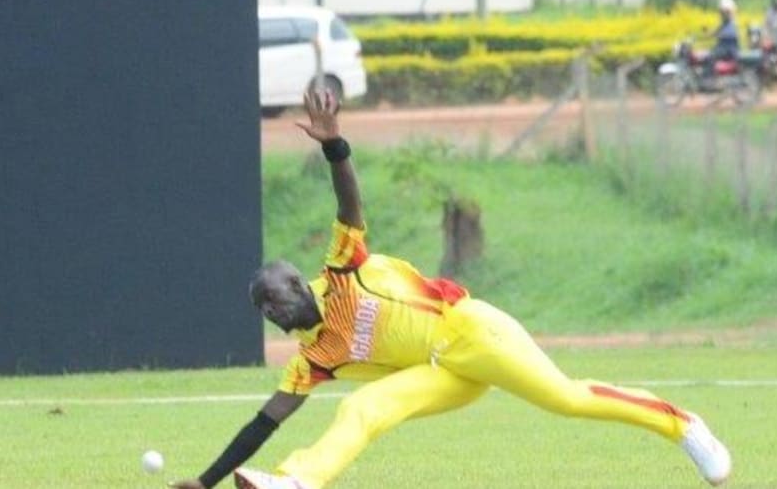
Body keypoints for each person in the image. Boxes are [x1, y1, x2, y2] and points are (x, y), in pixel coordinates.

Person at [171, 87, 733, 489]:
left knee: (566, 399)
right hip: (442, 375)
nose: (270, 310)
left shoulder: (342, 266)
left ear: (297, 281)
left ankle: (682, 424)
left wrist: (334, 146)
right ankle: (295, 482)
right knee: (362, 409)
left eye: (272, 296)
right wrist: (206, 480)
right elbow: (265, 420)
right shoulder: (313, 357)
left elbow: (350, 202)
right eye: (261, 308)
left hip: (471, 331)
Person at [711, 0, 741, 64]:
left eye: (725, 12)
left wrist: (719, 35)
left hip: (729, 51)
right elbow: (714, 32)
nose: (722, 14)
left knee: (710, 57)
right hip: (723, 50)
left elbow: (731, 35)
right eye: (722, 12)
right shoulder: (723, 24)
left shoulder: (732, 24)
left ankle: (707, 74)